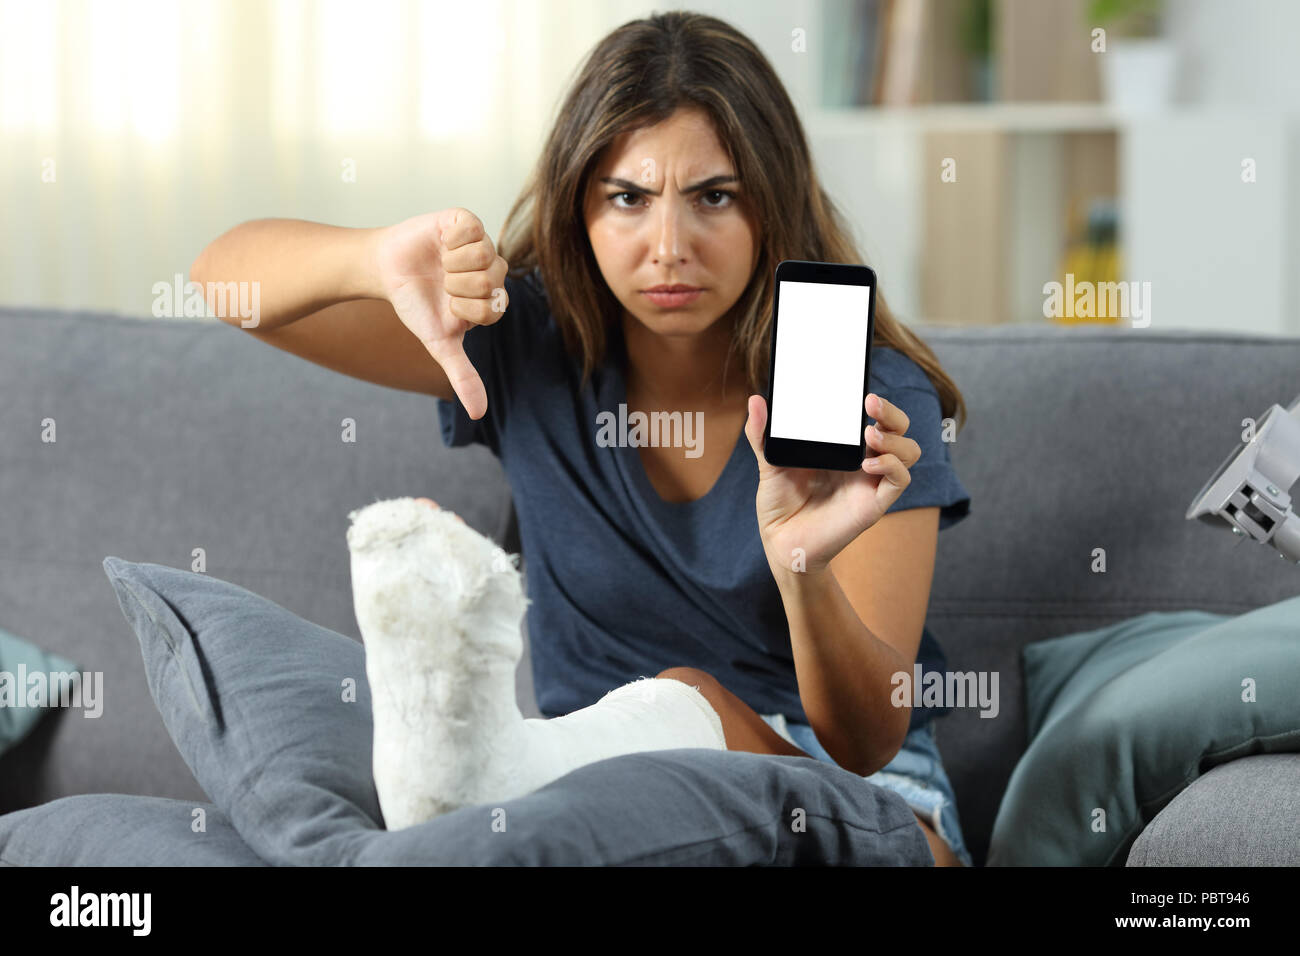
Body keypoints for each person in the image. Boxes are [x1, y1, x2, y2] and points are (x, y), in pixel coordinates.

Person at [192, 11, 973, 867]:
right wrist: (371, 257)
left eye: (714, 196)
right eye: (627, 198)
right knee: (618, 777)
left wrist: (803, 568)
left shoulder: (862, 393)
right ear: (580, 207)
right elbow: (223, 275)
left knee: (682, 701)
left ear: (771, 203)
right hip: (606, 810)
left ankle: (491, 771)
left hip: (868, 818)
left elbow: (866, 744)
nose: (668, 248)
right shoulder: (525, 341)